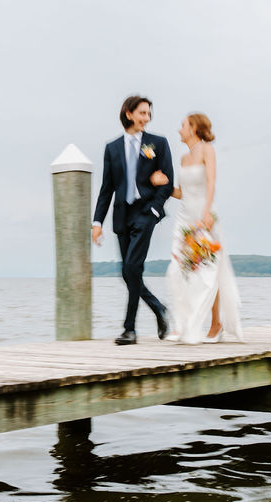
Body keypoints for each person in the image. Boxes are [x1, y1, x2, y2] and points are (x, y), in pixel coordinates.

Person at [151, 113, 243, 344]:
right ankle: (183, 325)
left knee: (208, 273)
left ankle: (216, 325)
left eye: (182, 125)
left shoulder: (206, 149)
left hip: (204, 217)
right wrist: (164, 185)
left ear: (193, 128)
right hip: (184, 219)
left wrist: (207, 213)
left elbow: (211, 182)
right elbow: (181, 192)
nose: (179, 129)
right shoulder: (183, 159)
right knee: (177, 270)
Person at [92, 95, 174, 345]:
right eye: (142, 113)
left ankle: (130, 329)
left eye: (148, 114)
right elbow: (107, 188)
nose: (146, 118)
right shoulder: (112, 148)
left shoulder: (157, 143)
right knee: (128, 273)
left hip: (145, 213)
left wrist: (154, 211)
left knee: (131, 269)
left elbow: (167, 181)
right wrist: (97, 223)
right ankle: (158, 308)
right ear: (128, 113)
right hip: (121, 216)